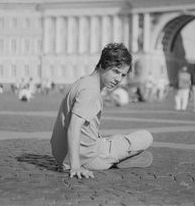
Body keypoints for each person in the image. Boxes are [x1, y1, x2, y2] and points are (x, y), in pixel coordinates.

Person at [50, 43, 153, 179]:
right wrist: (75, 166)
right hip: (89, 158)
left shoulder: (82, 82)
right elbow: (73, 126)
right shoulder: (91, 91)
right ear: (103, 64)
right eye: (116, 71)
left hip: (61, 155)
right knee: (146, 136)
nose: (118, 79)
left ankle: (114, 152)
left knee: (108, 140)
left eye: (123, 75)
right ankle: (117, 159)